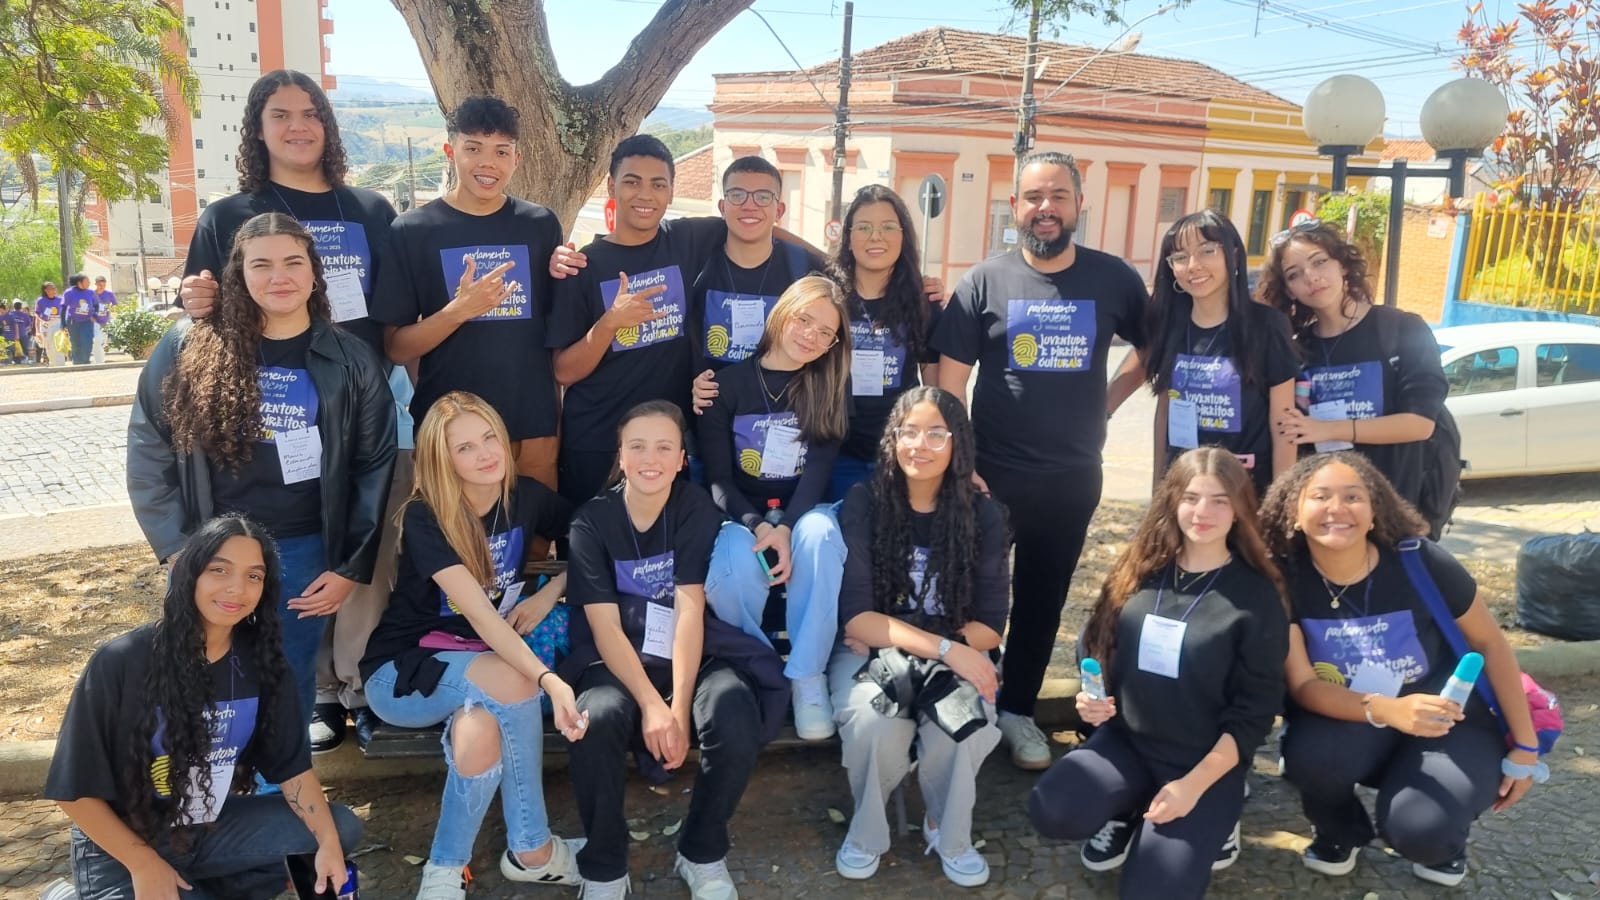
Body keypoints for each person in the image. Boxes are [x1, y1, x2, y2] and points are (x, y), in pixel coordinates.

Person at [177, 68, 409, 753]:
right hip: (262, 427)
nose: (298, 126)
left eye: (311, 113)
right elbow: (201, 315)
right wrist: (190, 301)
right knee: (282, 567)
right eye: (281, 114)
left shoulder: (369, 209)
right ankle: (307, 701)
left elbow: (397, 315)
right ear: (258, 128)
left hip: (360, 405)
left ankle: (359, 687)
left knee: (365, 555)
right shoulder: (227, 214)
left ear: (329, 126)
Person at [127, 212, 396, 740]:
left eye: (294, 262)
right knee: (205, 676)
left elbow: (374, 466)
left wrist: (349, 566)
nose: (280, 277)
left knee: (287, 680)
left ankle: (281, 797)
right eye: (262, 264)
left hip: (303, 551)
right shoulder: (187, 346)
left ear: (314, 273)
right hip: (210, 548)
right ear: (238, 273)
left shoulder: (351, 360)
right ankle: (206, 801)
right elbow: (149, 447)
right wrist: (178, 547)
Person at [931, 150, 1149, 770]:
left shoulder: (1113, 279)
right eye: (1033, 197)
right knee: (971, 598)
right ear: (1015, 207)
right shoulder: (984, 281)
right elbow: (950, 386)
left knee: (1041, 601)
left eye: (1057, 196)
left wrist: (1106, 404)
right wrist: (960, 460)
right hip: (989, 476)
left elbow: (1151, 348)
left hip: (1072, 478)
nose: (1045, 208)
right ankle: (961, 705)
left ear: (1080, 205)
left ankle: (1018, 712)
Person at [1259, 451, 1543, 887]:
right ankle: (1340, 829)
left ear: (1375, 511)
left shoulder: (1419, 562)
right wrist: (1388, 710)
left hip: (1449, 717)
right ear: (1295, 513)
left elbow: (1491, 643)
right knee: (1308, 758)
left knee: (1421, 830)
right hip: (1355, 713)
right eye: (1320, 496)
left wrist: (1525, 747)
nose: (1337, 509)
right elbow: (1303, 684)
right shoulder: (1283, 580)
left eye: (1353, 496)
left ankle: (1437, 836)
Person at [43, 515, 363, 898]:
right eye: (219, 570)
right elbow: (73, 791)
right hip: (122, 847)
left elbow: (292, 770)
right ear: (190, 573)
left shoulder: (262, 663)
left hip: (206, 829)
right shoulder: (122, 660)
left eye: (254, 576)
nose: (236, 588)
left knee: (340, 828)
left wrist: (327, 842)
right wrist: (144, 864)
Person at [1026, 448, 1289, 898]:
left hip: (1204, 760)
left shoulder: (1256, 597)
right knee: (1053, 809)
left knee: (1154, 890)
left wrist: (1192, 787)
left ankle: (1219, 817)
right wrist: (1093, 699)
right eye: (1191, 497)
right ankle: (1127, 806)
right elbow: (1099, 645)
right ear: (1171, 502)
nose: (1202, 512)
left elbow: (1255, 714)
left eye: (1219, 500)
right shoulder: (1140, 570)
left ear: (1240, 510)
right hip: (1127, 743)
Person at [360, 391, 587, 899]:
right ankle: (533, 850)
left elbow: (594, 536)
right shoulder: (427, 516)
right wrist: (551, 681)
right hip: (404, 670)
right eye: (464, 448)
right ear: (444, 461)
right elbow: (483, 618)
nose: (485, 453)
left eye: (489, 438)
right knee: (514, 677)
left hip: (479, 668)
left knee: (478, 732)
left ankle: (443, 871)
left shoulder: (525, 496)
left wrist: (552, 589)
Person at [561, 400, 786, 900]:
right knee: (592, 717)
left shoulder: (694, 508)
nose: (650, 457)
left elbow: (688, 611)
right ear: (620, 456)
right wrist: (649, 706)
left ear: (682, 458)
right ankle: (604, 864)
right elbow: (604, 628)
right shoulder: (590, 522)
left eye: (664, 447)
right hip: (617, 659)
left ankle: (702, 851)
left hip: (693, 653)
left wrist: (678, 709)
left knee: (732, 710)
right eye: (637, 446)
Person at [828, 386, 1008, 887]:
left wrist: (938, 651)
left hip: (945, 651)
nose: (920, 445)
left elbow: (991, 623)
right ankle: (866, 832)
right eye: (908, 432)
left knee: (964, 721)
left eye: (935, 433)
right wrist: (946, 647)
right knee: (872, 723)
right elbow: (858, 619)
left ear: (957, 444)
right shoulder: (865, 502)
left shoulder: (983, 515)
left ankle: (945, 830)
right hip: (878, 656)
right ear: (892, 439)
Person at [700, 275, 852, 740]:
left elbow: (818, 474)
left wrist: (784, 528)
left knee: (822, 539)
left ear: (832, 345)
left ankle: (806, 677)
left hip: (804, 511)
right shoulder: (725, 387)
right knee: (732, 563)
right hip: (740, 512)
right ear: (783, 312)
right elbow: (719, 479)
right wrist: (757, 527)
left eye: (825, 332)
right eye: (805, 319)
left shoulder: (829, 387)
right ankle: (758, 665)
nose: (811, 335)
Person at [546, 133, 728, 509]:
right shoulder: (583, 265)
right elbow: (563, 371)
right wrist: (611, 322)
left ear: (671, 191)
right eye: (632, 182)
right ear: (612, 186)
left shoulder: (686, 239)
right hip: (597, 443)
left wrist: (834, 263)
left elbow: (754, 225)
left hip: (664, 444)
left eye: (657, 184)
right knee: (592, 556)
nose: (645, 195)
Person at [1257, 219, 1448, 513]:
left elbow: (1419, 424)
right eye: (1295, 274)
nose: (1311, 277)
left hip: (1391, 512)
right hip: (1324, 515)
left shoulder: (1401, 329)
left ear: (1343, 265)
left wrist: (1329, 430)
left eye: (1319, 262)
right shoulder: (1297, 348)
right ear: (1290, 290)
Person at [1129, 210, 1298, 498]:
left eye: (1207, 251)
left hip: (1248, 491)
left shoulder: (1266, 325)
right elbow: (1165, 413)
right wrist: (1158, 491)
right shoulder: (1168, 326)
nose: (1193, 266)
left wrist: (1280, 501)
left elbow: (1284, 424)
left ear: (1232, 255)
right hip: (1185, 491)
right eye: (1179, 257)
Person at [827, 184, 942, 500]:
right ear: (848, 237)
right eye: (864, 227)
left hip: (900, 453)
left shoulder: (923, 300)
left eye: (888, 227)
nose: (875, 236)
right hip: (836, 453)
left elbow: (933, 389)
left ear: (903, 236)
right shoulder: (826, 295)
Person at [689, 156, 823, 374]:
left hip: (781, 405)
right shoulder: (697, 266)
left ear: (779, 211)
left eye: (763, 197)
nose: (749, 206)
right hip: (709, 403)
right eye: (737, 195)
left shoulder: (805, 270)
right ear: (723, 207)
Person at [63, 274, 97, 365]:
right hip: (73, 321)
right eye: (87, 281)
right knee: (75, 341)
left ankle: (85, 360)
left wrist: (95, 315)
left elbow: (96, 305)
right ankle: (77, 361)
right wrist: (63, 323)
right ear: (79, 282)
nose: (89, 283)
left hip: (87, 321)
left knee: (87, 341)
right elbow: (64, 307)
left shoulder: (91, 292)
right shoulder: (69, 292)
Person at [36, 281, 66, 366]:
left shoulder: (60, 300)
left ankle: (60, 364)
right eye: (51, 288)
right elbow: (37, 315)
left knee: (58, 343)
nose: (54, 290)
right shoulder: (40, 301)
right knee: (48, 345)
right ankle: (52, 362)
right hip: (46, 325)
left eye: (54, 288)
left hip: (57, 323)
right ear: (45, 290)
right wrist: (37, 330)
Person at [91, 275, 117, 364]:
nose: (102, 287)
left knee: (102, 341)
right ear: (96, 284)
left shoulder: (109, 294)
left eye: (103, 285)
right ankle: (99, 361)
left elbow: (115, 306)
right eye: (100, 285)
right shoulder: (91, 294)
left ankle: (102, 357)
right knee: (97, 340)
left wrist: (111, 310)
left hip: (106, 320)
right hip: (95, 321)